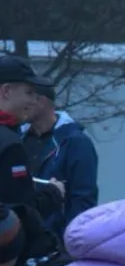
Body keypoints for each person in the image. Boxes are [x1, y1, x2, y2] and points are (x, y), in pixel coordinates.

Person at [21, 78, 99, 238]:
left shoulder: (75, 142)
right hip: (20, 238)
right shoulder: (18, 138)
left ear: (41, 101)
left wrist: (70, 242)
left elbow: (83, 198)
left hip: (55, 244)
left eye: (27, 98)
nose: (21, 105)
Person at [0, 55, 64, 218]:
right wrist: (53, 193)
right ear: (6, 91)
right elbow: (21, 212)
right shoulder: (9, 144)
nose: (34, 101)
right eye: (28, 92)